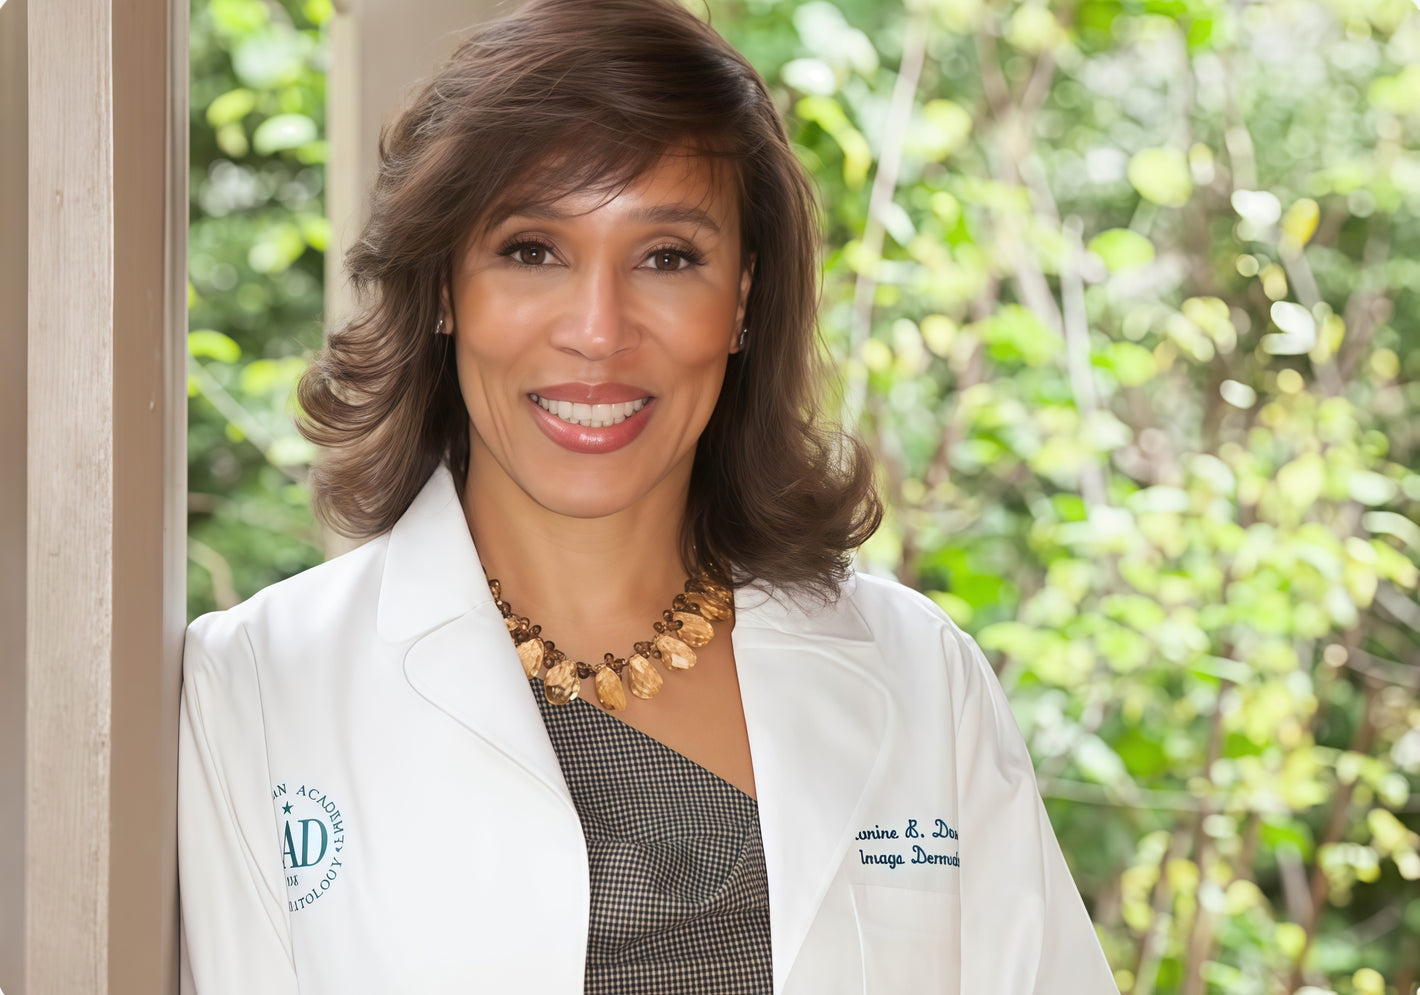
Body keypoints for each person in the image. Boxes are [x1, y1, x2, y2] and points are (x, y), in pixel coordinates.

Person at [177, 0, 1117, 992]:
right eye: (532, 249)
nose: (598, 329)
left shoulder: (922, 675)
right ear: (446, 286)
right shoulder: (258, 688)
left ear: (742, 299)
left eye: (668, 256)